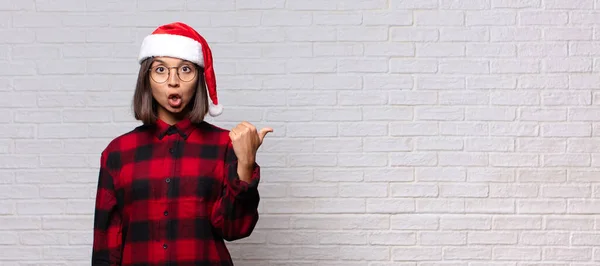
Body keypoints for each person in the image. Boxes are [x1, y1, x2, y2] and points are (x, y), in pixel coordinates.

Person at [91, 22, 271, 265]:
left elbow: (235, 229)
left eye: (185, 69)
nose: (173, 80)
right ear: (147, 78)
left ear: (198, 79)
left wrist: (246, 164)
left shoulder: (224, 146)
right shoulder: (118, 153)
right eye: (161, 70)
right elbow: (106, 246)